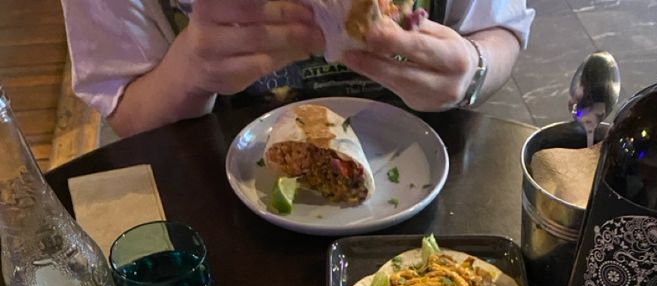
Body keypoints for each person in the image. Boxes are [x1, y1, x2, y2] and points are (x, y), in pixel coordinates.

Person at [60, 0, 535, 136]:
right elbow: (125, 105)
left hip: (425, 173)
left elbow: (499, 32)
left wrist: (470, 72)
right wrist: (191, 69)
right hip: (228, 204)